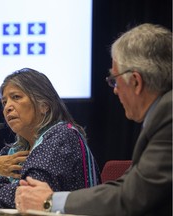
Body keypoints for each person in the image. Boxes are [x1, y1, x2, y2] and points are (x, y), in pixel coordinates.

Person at [15, 23, 172, 216]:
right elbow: (128, 185)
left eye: (115, 80)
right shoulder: (162, 114)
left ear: (136, 82)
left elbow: (134, 197)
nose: (115, 90)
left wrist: (50, 201)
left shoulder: (168, 115)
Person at [0, 68, 101, 208]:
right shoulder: (18, 149)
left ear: (44, 106)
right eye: (4, 102)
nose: (7, 107)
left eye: (16, 97)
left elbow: (27, 196)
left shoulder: (62, 136)